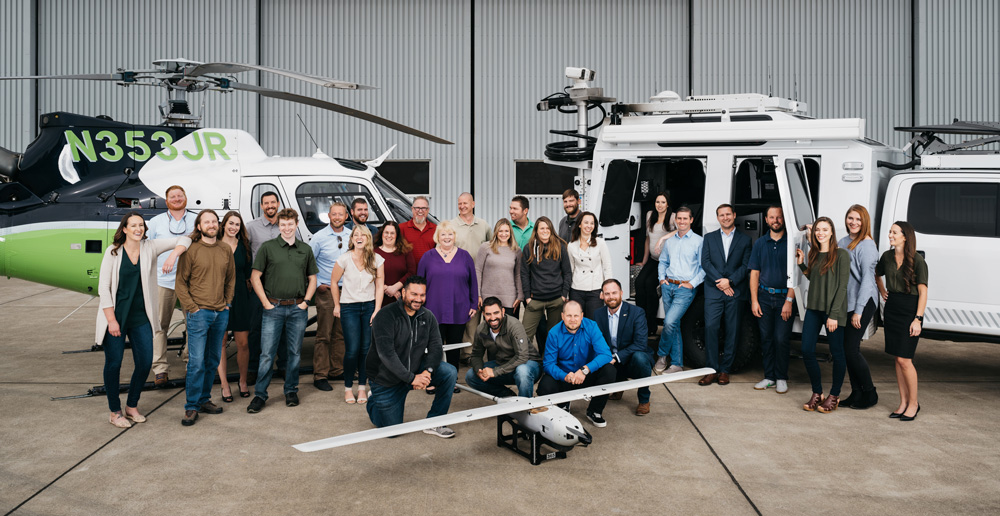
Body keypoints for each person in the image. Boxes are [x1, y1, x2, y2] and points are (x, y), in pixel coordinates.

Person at [96, 212, 189, 428]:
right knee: (114, 363)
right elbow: (104, 287)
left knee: (145, 362)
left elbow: (184, 239)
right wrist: (111, 320)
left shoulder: (150, 247)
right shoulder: (113, 252)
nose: (138, 229)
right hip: (116, 316)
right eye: (134, 225)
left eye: (141, 225)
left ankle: (131, 406)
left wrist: (174, 254)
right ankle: (114, 411)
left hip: (140, 316)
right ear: (125, 229)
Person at [366, 276, 458, 438]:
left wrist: (427, 372)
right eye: (414, 294)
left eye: (422, 295)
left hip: (415, 370)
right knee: (392, 432)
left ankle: (435, 421)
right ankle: (374, 402)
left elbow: (436, 347)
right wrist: (411, 378)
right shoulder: (385, 316)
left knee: (449, 372)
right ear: (403, 293)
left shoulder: (427, 316)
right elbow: (386, 354)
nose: (418, 299)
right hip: (386, 379)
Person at [247, 208, 318, 414]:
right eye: (283, 224)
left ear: (296, 224)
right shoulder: (268, 248)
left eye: (290, 224)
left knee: (294, 353)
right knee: (267, 354)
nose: (287, 228)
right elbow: (255, 277)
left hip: (297, 309)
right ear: (279, 226)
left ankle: (291, 391)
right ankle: (260, 395)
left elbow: (312, 278)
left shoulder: (305, 249)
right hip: (273, 308)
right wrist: (265, 303)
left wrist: (305, 302)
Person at [174, 210, 235, 426]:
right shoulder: (192, 250)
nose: (211, 225)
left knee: (212, 360)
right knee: (197, 362)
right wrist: (192, 308)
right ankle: (191, 407)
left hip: (220, 313)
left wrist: (227, 304)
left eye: (213, 221)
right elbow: (180, 282)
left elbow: (230, 279)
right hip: (199, 313)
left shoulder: (225, 249)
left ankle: (203, 399)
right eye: (206, 222)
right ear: (199, 226)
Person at [795, 217, 850, 413]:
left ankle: (834, 395)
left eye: (825, 229)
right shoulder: (815, 253)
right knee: (807, 350)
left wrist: (834, 315)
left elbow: (842, 287)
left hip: (833, 312)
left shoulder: (842, 255)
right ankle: (818, 393)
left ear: (832, 232)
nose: (820, 233)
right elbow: (814, 277)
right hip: (814, 309)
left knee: (837, 353)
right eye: (818, 229)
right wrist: (802, 265)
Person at [245, 192, 301, 382]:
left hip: (282, 286)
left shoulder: (286, 226)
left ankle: (284, 366)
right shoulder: (251, 227)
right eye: (266, 203)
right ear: (261, 206)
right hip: (259, 286)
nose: (270, 205)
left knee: (284, 327)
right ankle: (253, 367)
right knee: (255, 328)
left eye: (272, 202)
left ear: (277, 204)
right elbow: (246, 253)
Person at [876, 221, 928, 422]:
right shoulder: (887, 257)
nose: (890, 235)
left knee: (906, 360)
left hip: (910, 309)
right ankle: (903, 402)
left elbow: (923, 292)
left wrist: (918, 319)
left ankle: (914, 403)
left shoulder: (917, 260)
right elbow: (876, 273)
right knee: (897, 359)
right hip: (893, 308)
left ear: (905, 236)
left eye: (894, 232)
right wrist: (882, 290)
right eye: (890, 231)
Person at [146, 185, 198, 386]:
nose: (177, 199)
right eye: (172, 196)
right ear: (166, 201)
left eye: (180, 195)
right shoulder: (156, 222)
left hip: (190, 282)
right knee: (160, 326)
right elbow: (147, 249)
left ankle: (189, 361)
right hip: (162, 281)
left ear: (186, 198)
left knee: (193, 325)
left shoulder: (196, 220)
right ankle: (160, 368)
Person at [537, 301, 616, 427]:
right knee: (544, 387)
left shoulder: (591, 326)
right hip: (564, 377)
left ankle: (594, 411)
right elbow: (548, 364)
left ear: (582, 315)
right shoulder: (554, 332)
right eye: (569, 316)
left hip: (585, 376)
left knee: (609, 371)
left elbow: (606, 354)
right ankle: (563, 404)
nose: (573, 320)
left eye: (576, 316)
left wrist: (585, 370)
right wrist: (564, 376)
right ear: (562, 316)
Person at [698, 204, 751, 386]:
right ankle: (711, 370)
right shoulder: (709, 238)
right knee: (711, 328)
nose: (725, 217)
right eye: (721, 215)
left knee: (732, 330)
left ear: (734, 215)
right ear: (717, 218)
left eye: (728, 214)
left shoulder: (745, 240)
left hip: (734, 292)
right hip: (714, 290)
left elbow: (745, 266)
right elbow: (705, 263)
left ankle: (725, 370)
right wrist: (721, 281)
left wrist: (731, 282)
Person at [331, 225, 385, 404]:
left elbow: (379, 286)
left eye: (363, 234)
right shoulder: (344, 259)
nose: (359, 237)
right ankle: (348, 388)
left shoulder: (377, 260)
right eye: (356, 234)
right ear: (352, 238)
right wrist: (337, 305)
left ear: (368, 238)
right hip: (349, 308)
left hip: (369, 307)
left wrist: (377, 309)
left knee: (366, 350)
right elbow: (333, 281)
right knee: (352, 350)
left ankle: (362, 388)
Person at [417, 220, 478, 372]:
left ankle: (452, 379)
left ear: (454, 236)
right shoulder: (428, 257)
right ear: (437, 237)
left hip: (459, 308)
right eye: (443, 234)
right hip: (433, 309)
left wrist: (473, 304)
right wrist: (419, 306)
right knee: (433, 346)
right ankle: (431, 379)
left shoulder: (465, 256)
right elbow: (419, 284)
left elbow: (473, 282)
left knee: (454, 346)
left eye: (450, 234)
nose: (447, 237)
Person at [748, 206, 795, 394]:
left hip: (785, 297)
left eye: (779, 217)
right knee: (766, 338)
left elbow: (796, 274)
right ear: (766, 220)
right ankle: (769, 377)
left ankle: (781, 377)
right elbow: (754, 273)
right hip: (764, 297)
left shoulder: (792, 243)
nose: (776, 220)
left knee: (781, 339)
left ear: (784, 219)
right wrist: (754, 300)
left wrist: (789, 301)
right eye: (772, 217)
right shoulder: (760, 243)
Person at [837, 205, 880, 409]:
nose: (853, 222)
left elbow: (867, 281)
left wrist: (859, 311)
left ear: (864, 222)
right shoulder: (844, 242)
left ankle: (870, 393)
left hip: (863, 301)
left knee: (851, 350)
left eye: (858, 219)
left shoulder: (867, 245)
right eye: (850, 218)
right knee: (848, 350)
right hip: (848, 301)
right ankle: (856, 393)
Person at [654, 207, 704, 375]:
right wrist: (662, 279)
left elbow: (704, 268)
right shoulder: (670, 241)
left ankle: (661, 355)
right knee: (673, 324)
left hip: (685, 288)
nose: (682, 221)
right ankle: (676, 364)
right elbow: (663, 261)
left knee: (669, 322)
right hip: (668, 286)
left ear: (691, 220)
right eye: (679, 218)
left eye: (685, 218)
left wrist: (692, 284)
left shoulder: (698, 241)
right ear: (676, 220)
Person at [594, 279, 654, 416]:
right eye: (607, 293)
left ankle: (644, 399)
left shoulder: (636, 312)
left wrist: (615, 357)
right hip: (611, 359)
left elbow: (640, 344)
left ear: (621, 293)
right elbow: (596, 341)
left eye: (614, 293)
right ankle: (617, 386)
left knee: (640, 357)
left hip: (632, 359)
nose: (611, 297)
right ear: (602, 295)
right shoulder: (598, 314)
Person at [308, 202, 350, 392]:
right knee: (324, 334)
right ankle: (320, 375)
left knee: (340, 334)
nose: (337, 217)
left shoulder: (351, 236)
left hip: (347, 291)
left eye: (340, 214)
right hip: (326, 292)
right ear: (329, 216)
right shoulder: (319, 238)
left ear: (346, 216)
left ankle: (337, 369)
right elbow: (309, 265)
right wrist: (318, 286)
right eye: (334, 214)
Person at [465, 297, 541, 398]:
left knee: (522, 371)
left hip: (529, 365)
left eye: (496, 313)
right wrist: (479, 370)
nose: (493, 318)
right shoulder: (481, 330)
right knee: (471, 376)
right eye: (488, 314)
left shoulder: (514, 326)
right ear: (483, 314)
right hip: (504, 365)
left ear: (503, 311)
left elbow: (522, 356)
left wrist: (495, 371)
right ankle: (507, 396)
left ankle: (524, 407)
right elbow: (476, 355)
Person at [520, 216, 572, 356]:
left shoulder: (560, 247)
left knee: (553, 337)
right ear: (536, 230)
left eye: (547, 228)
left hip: (556, 299)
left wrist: (563, 295)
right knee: (524, 337)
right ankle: (530, 361)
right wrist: (527, 298)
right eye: (542, 228)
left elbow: (567, 273)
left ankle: (549, 365)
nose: (545, 231)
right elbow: (524, 274)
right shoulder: (528, 248)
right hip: (535, 300)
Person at [216, 211, 253, 401]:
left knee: (243, 344)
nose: (234, 227)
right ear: (224, 224)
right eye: (231, 223)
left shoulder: (244, 246)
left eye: (237, 225)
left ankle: (243, 381)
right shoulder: (214, 244)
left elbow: (248, 275)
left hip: (239, 297)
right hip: (217, 298)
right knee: (220, 342)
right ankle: (224, 385)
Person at [451, 192, 493, 354]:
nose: (462, 206)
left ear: (473, 204)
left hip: (480, 277)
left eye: (465, 203)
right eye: (460, 203)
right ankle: (460, 351)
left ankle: (470, 353)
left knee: (475, 316)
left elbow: (492, 245)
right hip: (458, 278)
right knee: (462, 314)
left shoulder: (483, 225)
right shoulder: (451, 225)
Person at [635, 192, 677, 334]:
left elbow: (681, 230)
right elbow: (648, 239)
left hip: (665, 262)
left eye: (663, 202)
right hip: (652, 260)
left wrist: (664, 237)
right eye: (657, 202)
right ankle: (641, 322)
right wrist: (644, 261)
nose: (659, 205)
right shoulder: (649, 215)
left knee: (649, 285)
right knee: (639, 283)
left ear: (668, 204)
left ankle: (651, 326)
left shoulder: (672, 217)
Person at [567, 211, 612, 319]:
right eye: (586, 222)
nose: (589, 226)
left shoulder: (600, 243)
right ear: (579, 224)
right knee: (576, 322)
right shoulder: (571, 245)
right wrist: (567, 293)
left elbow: (607, 267)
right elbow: (570, 270)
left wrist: (606, 289)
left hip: (595, 289)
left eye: (592, 223)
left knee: (593, 322)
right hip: (576, 289)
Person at [475, 219, 523, 316]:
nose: (503, 234)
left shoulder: (516, 250)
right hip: (488, 297)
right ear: (496, 232)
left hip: (510, 298)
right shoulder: (485, 247)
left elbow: (518, 274)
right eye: (500, 231)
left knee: (509, 328)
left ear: (510, 232)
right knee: (491, 328)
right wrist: (478, 294)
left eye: (506, 231)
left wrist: (520, 296)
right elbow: (478, 270)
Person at [374, 220, 416, 307]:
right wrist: (386, 288)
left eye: (392, 233)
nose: (389, 236)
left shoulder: (406, 251)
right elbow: (369, 273)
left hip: (401, 298)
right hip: (379, 300)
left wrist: (395, 287)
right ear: (382, 234)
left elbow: (412, 272)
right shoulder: (373, 252)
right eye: (386, 232)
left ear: (397, 235)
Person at [400, 196, 436, 263]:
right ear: (412, 209)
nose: (420, 211)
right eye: (417, 208)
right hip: (409, 272)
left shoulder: (436, 229)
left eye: (423, 208)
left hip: (429, 272)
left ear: (428, 210)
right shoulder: (401, 228)